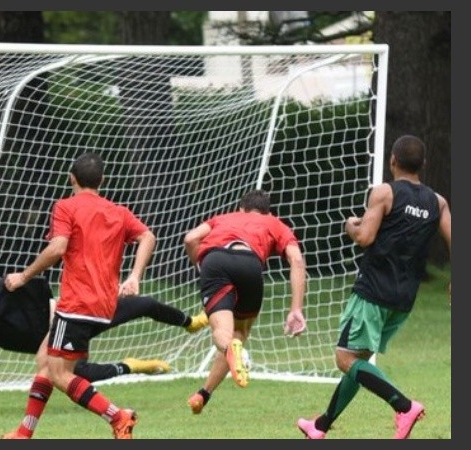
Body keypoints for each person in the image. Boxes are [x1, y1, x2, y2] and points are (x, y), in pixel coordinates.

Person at [297, 134, 451, 440]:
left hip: (372, 292)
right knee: (359, 362)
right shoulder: (438, 202)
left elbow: (365, 237)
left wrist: (350, 225)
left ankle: (404, 406)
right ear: (423, 164)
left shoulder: (384, 192)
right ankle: (321, 425)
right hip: (404, 298)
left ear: (392, 161)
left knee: (345, 359)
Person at [1, 152, 156, 439]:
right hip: (103, 304)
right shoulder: (118, 211)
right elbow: (148, 236)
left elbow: (58, 248)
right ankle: (25, 432)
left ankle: (118, 416)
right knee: (47, 362)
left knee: (60, 374)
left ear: (71, 178)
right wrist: (135, 276)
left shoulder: (65, 206)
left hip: (76, 303)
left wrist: (23, 276)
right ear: (103, 180)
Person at [0, 271, 208, 381]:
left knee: (144, 304)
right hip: (55, 342)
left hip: (73, 314)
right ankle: (135, 366)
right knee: (76, 377)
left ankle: (190, 322)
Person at [182, 188, 307, 415]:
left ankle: (230, 351)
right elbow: (296, 260)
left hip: (216, 260)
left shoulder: (224, 217)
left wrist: (201, 266)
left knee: (222, 331)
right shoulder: (275, 224)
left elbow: (191, 238)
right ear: (268, 212)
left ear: (242, 208)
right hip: (250, 264)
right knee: (238, 333)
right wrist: (296, 309)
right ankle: (204, 393)